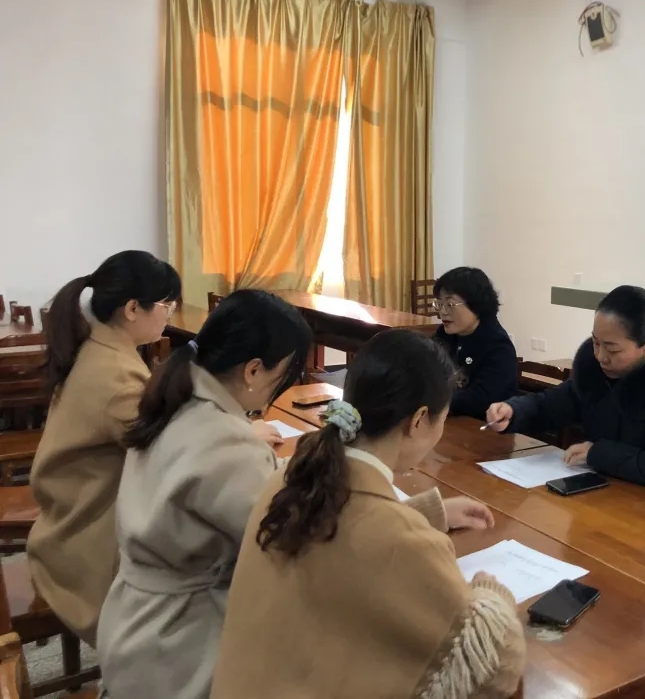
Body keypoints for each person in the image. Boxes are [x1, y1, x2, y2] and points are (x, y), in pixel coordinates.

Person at [211, 329, 526, 699]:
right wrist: (491, 592)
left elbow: (348, 534)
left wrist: (425, 513)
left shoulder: (292, 476)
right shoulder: (402, 541)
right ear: (419, 420)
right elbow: (496, 666)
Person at [96, 290, 312, 699]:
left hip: (132, 624)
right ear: (253, 370)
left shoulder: (176, 401)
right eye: (282, 375)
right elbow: (290, 541)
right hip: (178, 647)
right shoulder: (226, 442)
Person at [27, 250, 181, 647]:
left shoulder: (99, 347)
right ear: (132, 309)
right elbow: (170, 450)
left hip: (64, 521)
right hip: (84, 546)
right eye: (166, 306)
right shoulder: (116, 375)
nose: (169, 316)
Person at [486, 285, 645, 502]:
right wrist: (514, 411)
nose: (600, 356)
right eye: (596, 343)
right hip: (609, 492)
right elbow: (551, 405)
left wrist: (597, 453)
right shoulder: (595, 372)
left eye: (612, 349)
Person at [432, 267, 518, 420]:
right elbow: (425, 371)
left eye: (450, 304)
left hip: (485, 427)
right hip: (448, 420)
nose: (442, 312)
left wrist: (431, 400)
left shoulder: (498, 346)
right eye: (439, 304)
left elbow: (480, 400)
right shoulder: (444, 335)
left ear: (476, 305)